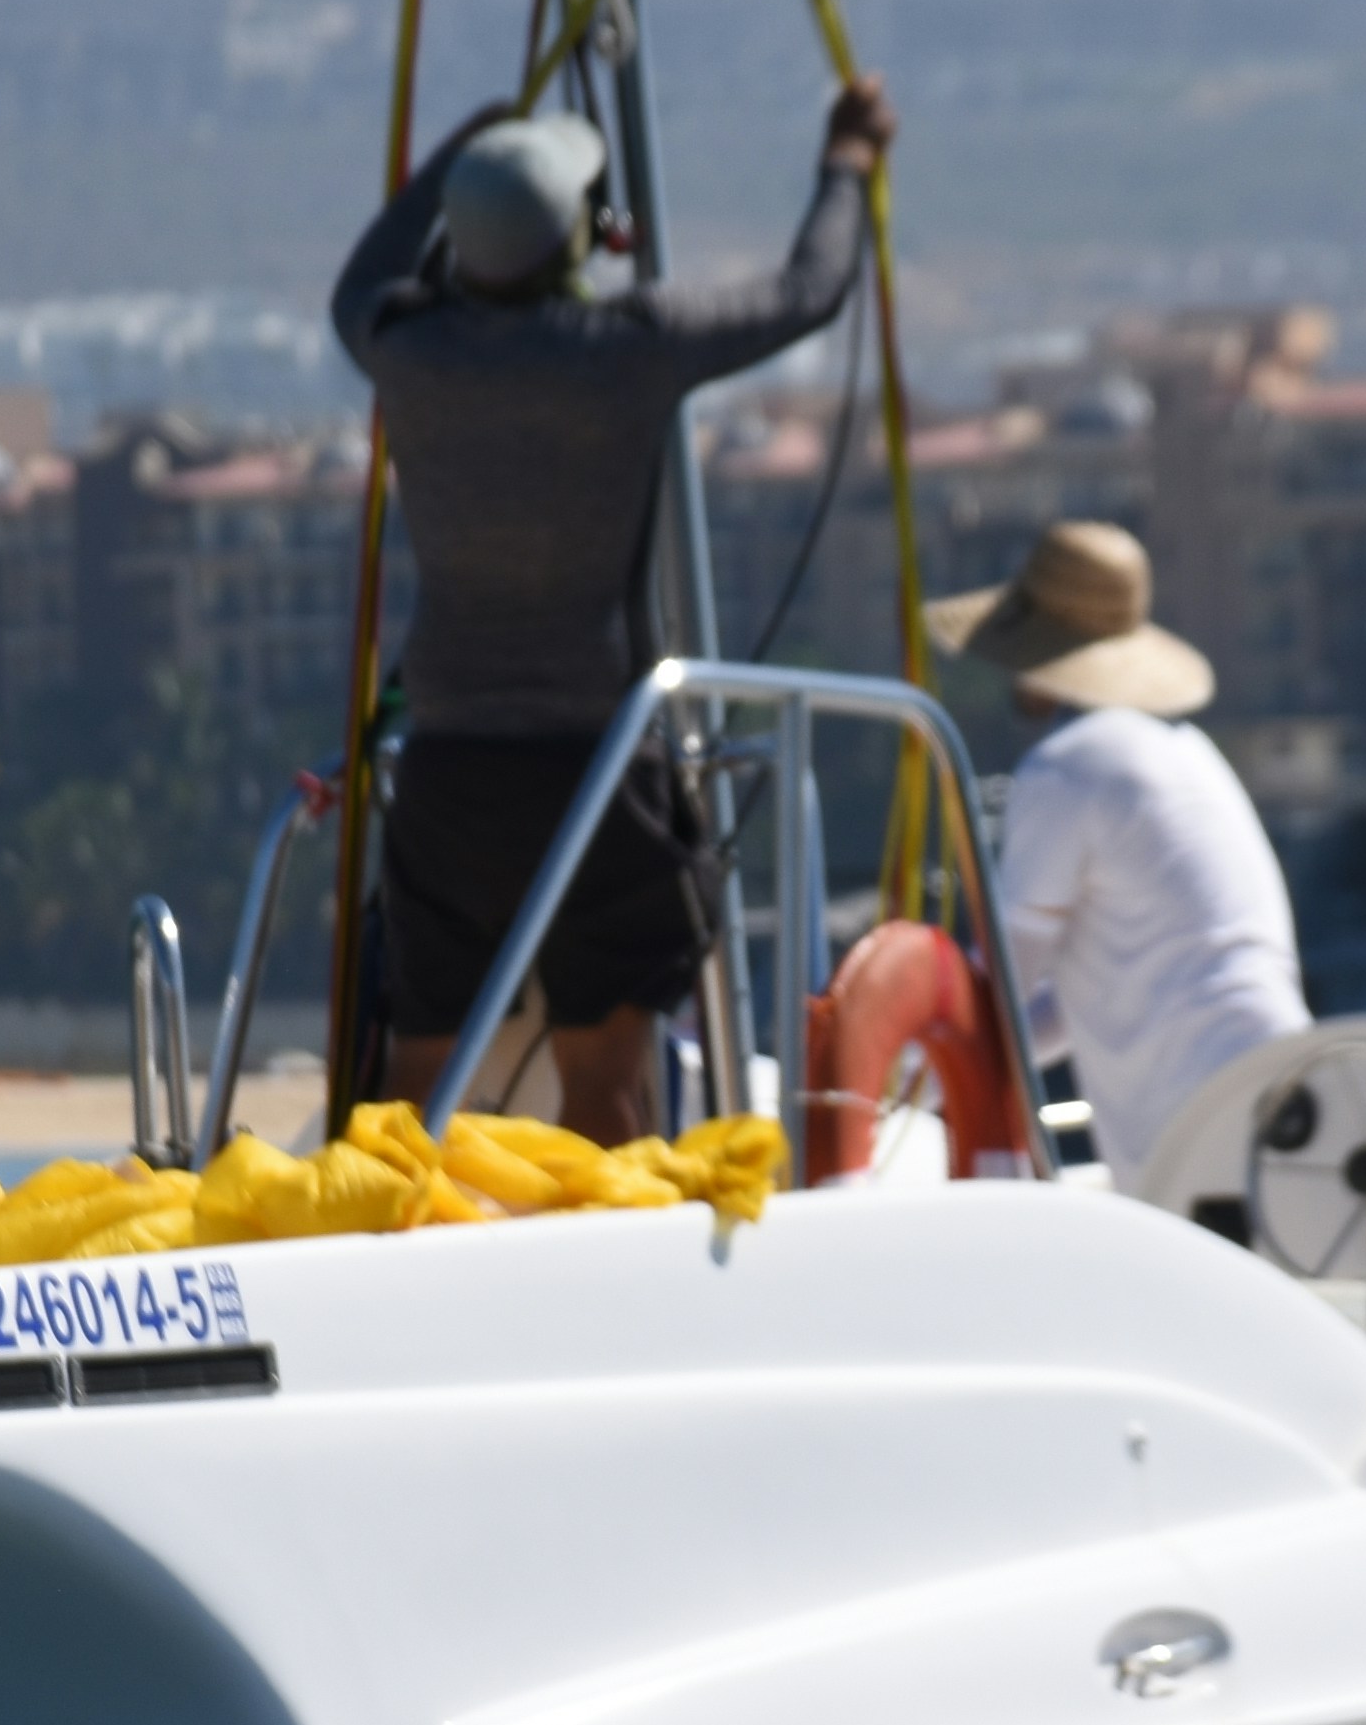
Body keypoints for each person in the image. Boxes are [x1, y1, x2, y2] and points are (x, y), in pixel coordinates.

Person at [335, 70, 891, 1135]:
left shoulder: (407, 350)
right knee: (607, 1091)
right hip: (598, 766)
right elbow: (807, 290)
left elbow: (354, 284)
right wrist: (847, 160)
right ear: (579, 246)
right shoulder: (628, 348)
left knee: (411, 1094)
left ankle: (396, 1250)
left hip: (450, 770)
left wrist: (465, 149)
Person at [930, 519, 1309, 1175]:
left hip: (1197, 1116)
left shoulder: (1067, 768)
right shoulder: (1183, 751)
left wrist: (890, 1076)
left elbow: (1001, 981)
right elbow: (1068, 1007)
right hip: (1285, 1091)